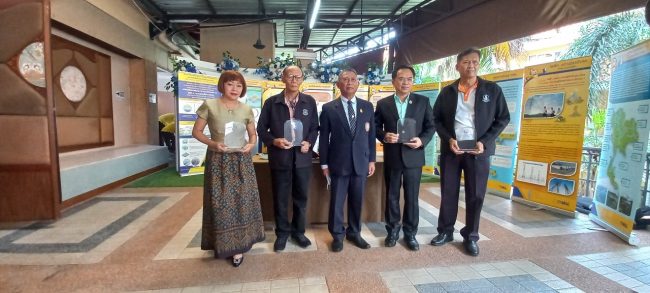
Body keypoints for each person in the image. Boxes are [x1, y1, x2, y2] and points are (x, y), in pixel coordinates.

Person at [430, 48, 510, 256]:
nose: (471, 65)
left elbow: (503, 118)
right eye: (466, 62)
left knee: (476, 195)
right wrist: (448, 139)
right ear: (457, 66)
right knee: (448, 191)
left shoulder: (492, 90)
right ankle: (446, 231)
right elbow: (435, 119)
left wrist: (485, 141)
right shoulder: (447, 92)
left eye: (474, 62)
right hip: (452, 150)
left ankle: (471, 236)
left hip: (478, 151)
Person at [191, 70, 265, 267]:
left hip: (241, 160)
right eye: (231, 84)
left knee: (243, 201)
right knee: (220, 202)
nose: (235, 89)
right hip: (218, 160)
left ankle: (240, 246)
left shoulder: (246, 109)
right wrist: (213, 144)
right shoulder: (210, 105)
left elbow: (253, 135)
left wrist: (250, 145)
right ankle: (221, 243)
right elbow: (196, 131)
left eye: (239, 85)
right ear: (222, 85)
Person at [257, 65, 319, 252]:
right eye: (290, 76)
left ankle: (299, 232)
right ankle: (282, 234)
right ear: (283, 78)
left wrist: (309, 141)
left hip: (302, 158)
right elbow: (261, 129)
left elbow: (315, 128)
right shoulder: (272, 102)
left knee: (301, 197)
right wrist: (274, 141)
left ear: (302, 80)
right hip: (280, 158)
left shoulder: (309, 102)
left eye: (298, 76)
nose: (294, 79)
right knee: (281, 198)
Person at [374, 65, 435, 251]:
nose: (405, 82)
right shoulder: (383, 104)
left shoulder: (422, 102)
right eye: (401, 78)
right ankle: (392, 230)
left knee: (412, 197)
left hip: (413, 157)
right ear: (393, 81)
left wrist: (422, 141)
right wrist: (384, 136)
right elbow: (376, 127)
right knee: (392, 196)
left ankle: (410, 233)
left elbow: (430, 126)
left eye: (409, 79)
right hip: (392, 156)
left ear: (413, 81)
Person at [319, 69, 376, 252]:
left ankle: (354, 233)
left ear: (358, 84)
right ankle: (337, 235)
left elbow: (371, 136)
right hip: (338, 163)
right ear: (338, 84)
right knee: (337, 201)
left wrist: (372, 160)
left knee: (357, 200)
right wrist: (324, 164)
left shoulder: (367, 107)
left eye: (353, 79)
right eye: (345, 80)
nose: (349, 83)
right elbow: (324, 139)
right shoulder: (329, 108)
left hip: (361, 162)